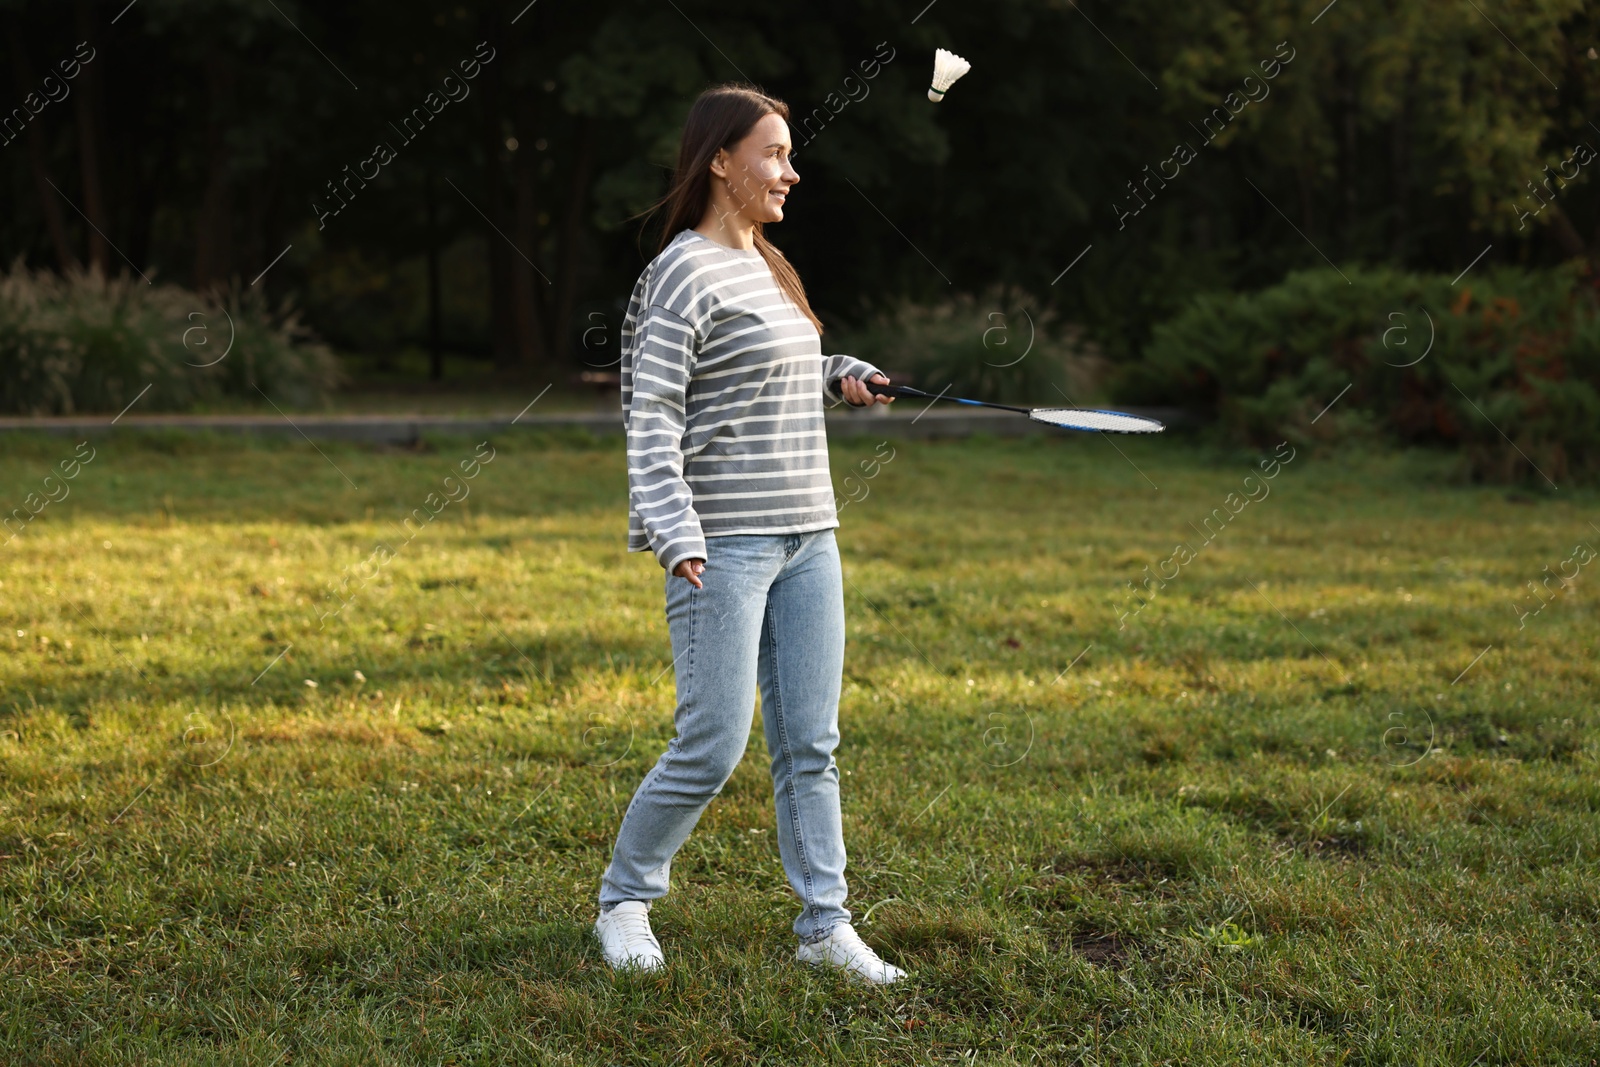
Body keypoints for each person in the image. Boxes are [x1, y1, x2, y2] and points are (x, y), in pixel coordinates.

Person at [594, 82, 906, 985]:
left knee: (811, 743)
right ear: (719, 161)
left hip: (811, 533)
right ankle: (624, 898)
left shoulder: (771, 266)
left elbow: (766, 376)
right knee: (713, 741)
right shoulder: (679, 272)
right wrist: (672, 527)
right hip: (720, 545)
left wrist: (842, 369)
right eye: (775, 153)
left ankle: (825, 924)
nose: (792, 171)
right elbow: (650, 414)